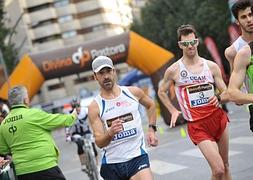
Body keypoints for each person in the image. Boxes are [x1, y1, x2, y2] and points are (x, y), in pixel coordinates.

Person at [158, 24, 231, 180]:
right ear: (180, 45)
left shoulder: (211, 66)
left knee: (225, 166)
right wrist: (172, 110)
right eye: (185, 44)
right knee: (218, 170)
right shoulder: (174, 70)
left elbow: (226, 93)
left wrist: (219, 97)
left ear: (197, 42)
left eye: (192, 42)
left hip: (218, 118)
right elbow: (161, 92)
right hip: (198, 125)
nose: (190, 46)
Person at [88, 56, 158, 180]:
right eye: (101, 73)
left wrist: (152, 129)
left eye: (108, 71)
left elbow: (151, 105)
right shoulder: (95, 107)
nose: (106, 76)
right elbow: (99, 142)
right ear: (95, 76)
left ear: (114, 71)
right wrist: (110, 133)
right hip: (112, 164)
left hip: (137, 157)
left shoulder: (132, 92)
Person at [0, 85, 78, 180]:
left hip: (23, 173)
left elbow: (3, 150)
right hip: (45, 167)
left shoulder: (4, 124)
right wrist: (73, 115)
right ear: (26, 100)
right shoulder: (33, 114)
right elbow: (59, 120)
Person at [65, 98, 98, 172]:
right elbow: (67, 126)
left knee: (93, 146)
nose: (76, 108)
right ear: (72, 107)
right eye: (74, 106)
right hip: (76, 133)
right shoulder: (69, 114)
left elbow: (94, 119)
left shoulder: (85, 110)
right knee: (80, 144)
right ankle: (83, 164)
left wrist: (96, 130)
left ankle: (97, 165)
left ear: (80, 105)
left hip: (87, 132)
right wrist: (68, 136)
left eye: (78, 106)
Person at [225, 0, 253, 73]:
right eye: (244, 17)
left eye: (250, 14)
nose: (249, 20)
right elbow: (235, 83)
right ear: (237, 21)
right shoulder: (232, 52)